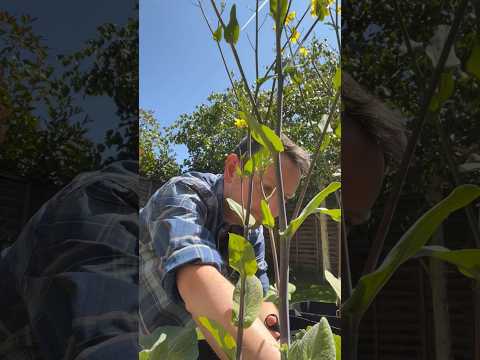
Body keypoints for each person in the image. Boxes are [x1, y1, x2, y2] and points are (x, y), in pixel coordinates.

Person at [139, 134, 311, 359]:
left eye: (285, 198)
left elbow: (257, 293)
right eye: (266, 188)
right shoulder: (182, 195)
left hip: (178, 344)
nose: (275, 209)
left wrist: (271, 327)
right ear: (232, 168)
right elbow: (197, 281)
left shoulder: (251, 228)